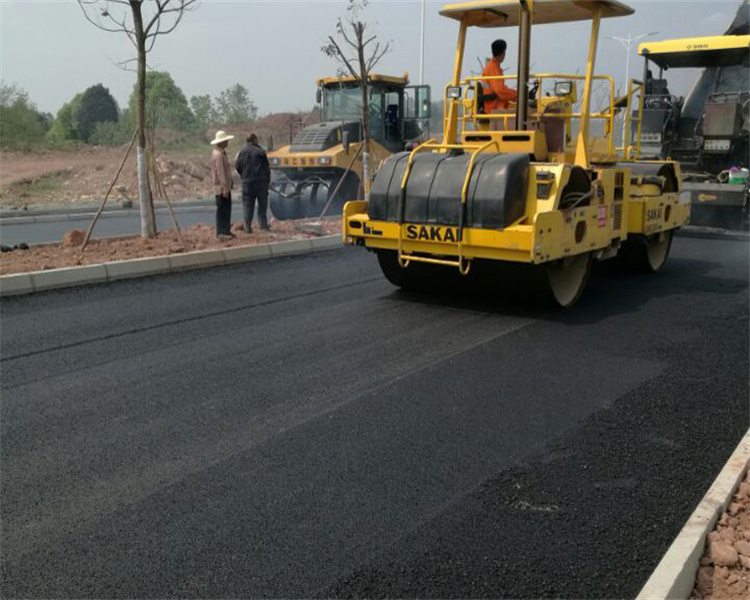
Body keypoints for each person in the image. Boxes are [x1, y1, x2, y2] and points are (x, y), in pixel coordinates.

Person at [235, 133, 271, 232]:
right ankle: (263, 225)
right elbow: (267, 169)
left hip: (247, 183)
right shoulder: (260, 151)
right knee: (262, 205)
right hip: (261, 182)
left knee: (248, 205)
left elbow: (237, 166)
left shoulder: (242, 152)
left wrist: (244, 176)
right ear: (255, 140)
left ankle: (247, 226)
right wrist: (267, 182)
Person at [481, 39, 518, 114]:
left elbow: (499, 88)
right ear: (503, 52)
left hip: (495, 105)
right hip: (495, 107)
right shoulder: (493, 68)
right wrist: (517, 94)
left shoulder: (492, 67)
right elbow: (500, 91)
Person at [210, 130, 235, 240]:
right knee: (222, 210)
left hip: (223, 187)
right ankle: (222, 233)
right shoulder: (219, 155)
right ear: (222, 142)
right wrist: (225, 188)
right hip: (221, 188)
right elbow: (221, 173)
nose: (227, 142)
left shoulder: (220, 153)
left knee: (226, 209)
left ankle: (226, 231)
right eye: (226, 141)